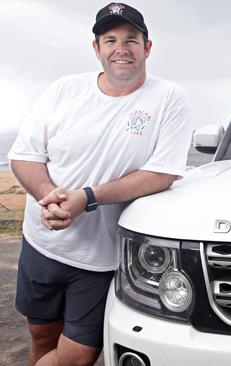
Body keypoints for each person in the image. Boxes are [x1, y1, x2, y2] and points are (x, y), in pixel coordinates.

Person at [8, 3, 193, 365]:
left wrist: (87, 198)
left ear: (147, 47)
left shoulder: (169, 98)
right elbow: (25, 155)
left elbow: (162, 173)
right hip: (43, 243)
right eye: (110, 40)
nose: (121, 48)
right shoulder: (64, 89)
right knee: (42, 339)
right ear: (96, 48)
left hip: (101, 258)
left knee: (79, 355)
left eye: (131, 40)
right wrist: (49, 197)